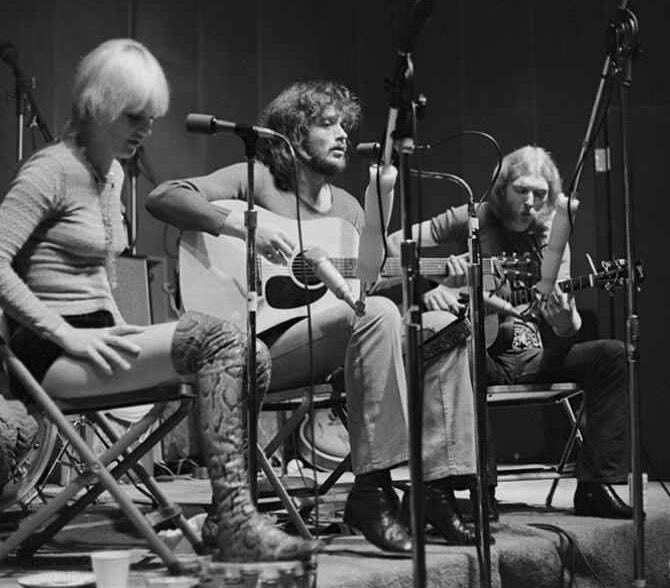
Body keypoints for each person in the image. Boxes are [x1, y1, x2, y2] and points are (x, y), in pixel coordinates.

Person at [0, 38, 324, 563]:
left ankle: (225, 519)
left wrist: (126, 330)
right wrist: (64, 333)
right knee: (220, 339)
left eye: (151, 118)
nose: (145, 129)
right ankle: (239, 524)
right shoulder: (49, 171)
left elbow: (95, 280)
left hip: (97, 343)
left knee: (254, 355)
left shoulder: (110, 176)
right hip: (52, 355)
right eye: (133, 116)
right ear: (98, 105)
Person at [146, 80, 481, 551]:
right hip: (260, 346)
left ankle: (438, 491)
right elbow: (164, 196)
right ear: (293, 134)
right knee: (378, 312)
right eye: (327, 124)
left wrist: (382, 206)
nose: (343, 133)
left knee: (444, 326)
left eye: (345, 124)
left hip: (335, 340)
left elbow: (366, 277)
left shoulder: (346, 208)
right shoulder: (257, 180)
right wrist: (240, 226)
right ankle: (373, 489)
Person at [387, 145, 633, 519]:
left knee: (612, 354)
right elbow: (391, 246)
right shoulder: (473, 218)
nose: (532, 202)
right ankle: (479, 491)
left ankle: (596, 486)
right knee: (458, 356)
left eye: (541, 194)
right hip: (479, 352)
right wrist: (434, 284)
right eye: (523, 190)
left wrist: (565, 318)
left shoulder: (553, 235)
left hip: (531, 354)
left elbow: (565, 328)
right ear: (502, 188)